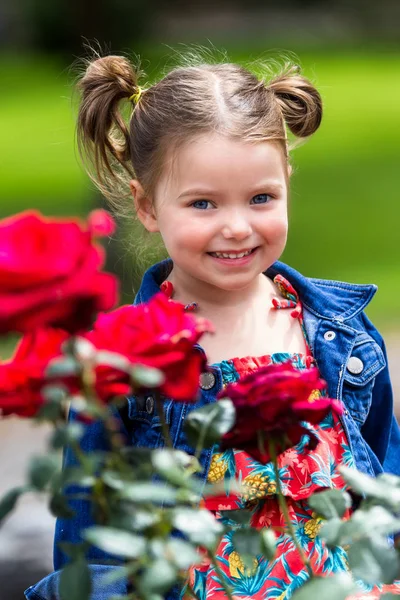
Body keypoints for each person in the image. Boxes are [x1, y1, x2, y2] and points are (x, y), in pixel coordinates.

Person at [25, 48, 400, 600]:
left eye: (261, 198)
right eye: (203, 204)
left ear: (287, 185)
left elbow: (382, 487)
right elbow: (92, 543)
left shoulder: (343, 338)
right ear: (148, 206)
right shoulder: (123, 360)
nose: (237, 226)